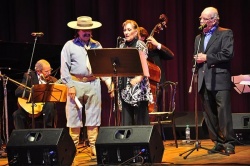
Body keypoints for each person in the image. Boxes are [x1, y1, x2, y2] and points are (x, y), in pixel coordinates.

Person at [60, 16, 113, 156]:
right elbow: (64, 68)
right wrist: (69, 85)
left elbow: (103, 66)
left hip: (93, 83)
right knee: (73, 117)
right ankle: (73, 147)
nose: (87, 32)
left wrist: (108, 83)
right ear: (78, 30)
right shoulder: (69, 45)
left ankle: (93, 146)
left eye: (89, 29)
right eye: (84, 30)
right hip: (75, 83)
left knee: (94, 116)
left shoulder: (97, 45)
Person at [194, 7, 235, 154]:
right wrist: (197, 59)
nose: (201, 21)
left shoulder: (225, 33)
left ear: (214, 20)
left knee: (223, 112)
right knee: (209, 114)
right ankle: (217, 142)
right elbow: (198, 56)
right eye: (200, 18)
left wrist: (207, 58)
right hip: (204, 79)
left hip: (219, 79)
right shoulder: (199, 38)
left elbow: (227, 54)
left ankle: (229, 142)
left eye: (204, 19)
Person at [118, 20, 153, 126]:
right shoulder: (122, 46)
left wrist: (138, 78)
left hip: (138, 88)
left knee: (140, 122)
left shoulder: (140, 45)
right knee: (126, 122)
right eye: (124, 30)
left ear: (135, 31)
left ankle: (142, 142)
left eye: (129, 30)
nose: (126, 32)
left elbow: (143, 65)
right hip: (125, 87)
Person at [13, 59, 57, 129]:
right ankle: (21, 138)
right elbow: (18, 91)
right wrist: (34, 93)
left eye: (50, 70)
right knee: (17, 114)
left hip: (45, 109)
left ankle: (48, 132)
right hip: (32, 106)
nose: (49, 73)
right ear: (38, 71)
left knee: (50, 105)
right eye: (46, 71)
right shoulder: (30, 77)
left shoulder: (53, 80)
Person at [139, 27, 174, 112]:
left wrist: (157, 44)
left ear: (143, 38)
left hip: (156, 86)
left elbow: (171, 55)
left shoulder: (153, 50)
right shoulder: (135, 52)